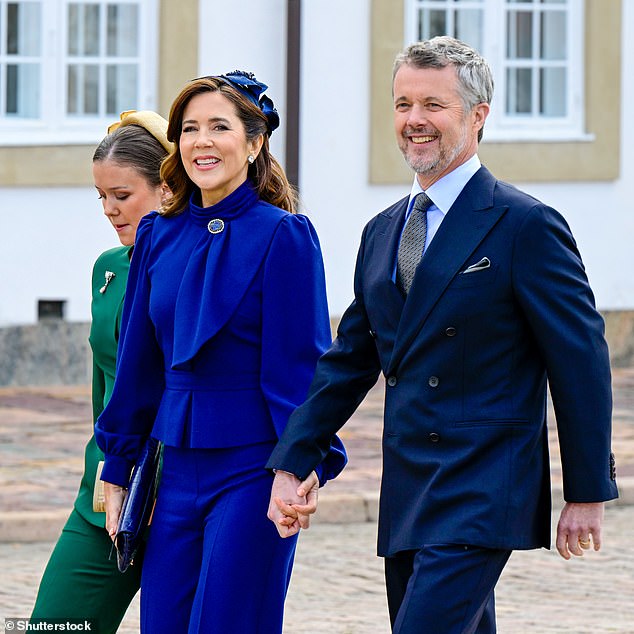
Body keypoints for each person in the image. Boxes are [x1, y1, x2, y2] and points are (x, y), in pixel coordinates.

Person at [266, 36, 619, 633]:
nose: (414, 121)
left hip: (485, 482)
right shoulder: (383, 232)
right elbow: (350, 359)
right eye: (403, 105)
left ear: (478, 116)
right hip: (410, 484)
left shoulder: (525, 224)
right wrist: (293, 459)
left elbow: (580, 360)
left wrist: (586, 491)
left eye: (433, 105)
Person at [94, 71, 347, 633]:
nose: (201, 141)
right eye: (189, 129)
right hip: (173, 469)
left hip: (253, 470)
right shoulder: (157, 234)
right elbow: (139, 365)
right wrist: (118, 464)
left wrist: (300, 464)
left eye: (218, 127)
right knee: (162, 624)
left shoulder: (286, 236)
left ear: (254, 143)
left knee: (230, 623)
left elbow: (302, 370)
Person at [31, 111, 172, 632]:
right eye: (101, 198)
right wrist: (103, 464)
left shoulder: (194, 267)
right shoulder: (107, 269)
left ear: (166, 186)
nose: (110, 210)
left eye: (122, 195)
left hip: (177, 495)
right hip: (104, 490)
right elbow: (103, 389)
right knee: (55, 623)